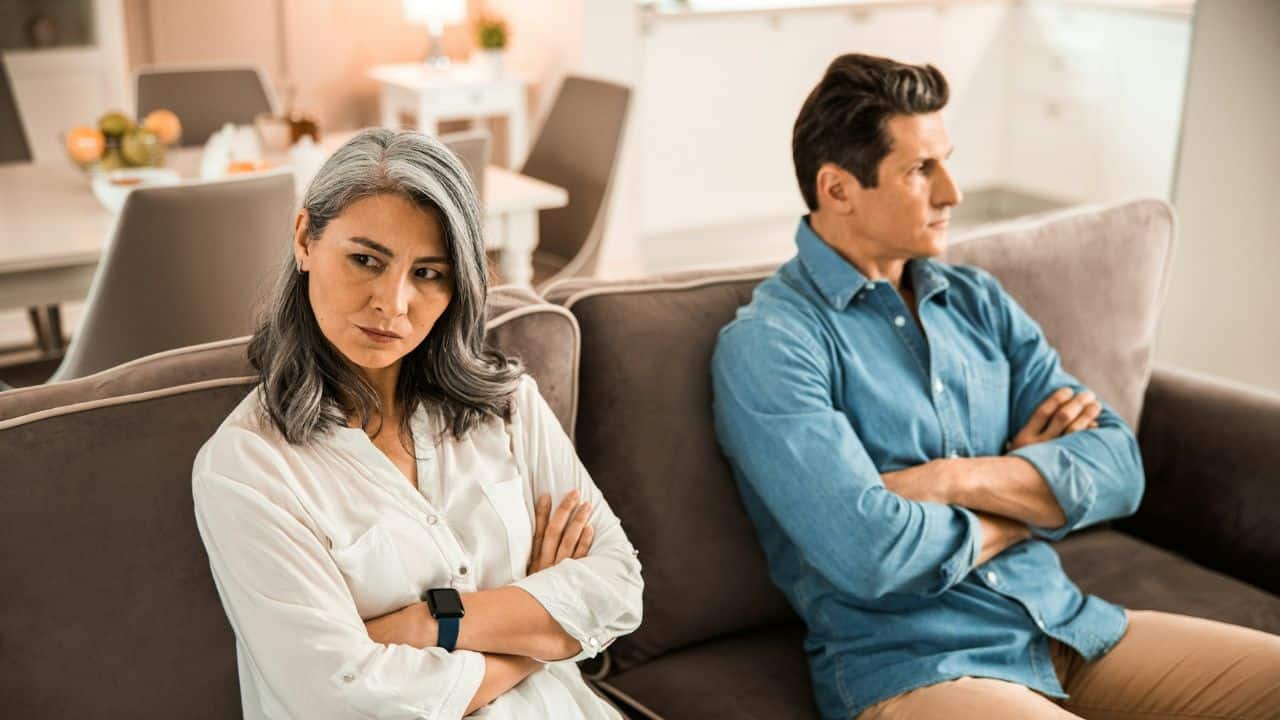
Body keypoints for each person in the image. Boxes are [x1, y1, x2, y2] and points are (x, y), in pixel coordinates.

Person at [710, 53, 1280, 720]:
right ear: (838, 189)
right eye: (921, 170)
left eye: (946, 160)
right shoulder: (772, 344)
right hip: (919, 667)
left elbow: (1119, 470)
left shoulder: (975, 299)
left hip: (1064, 627)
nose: (953, 192)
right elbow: (873, 554)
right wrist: (1031, 497)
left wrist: (951, 479)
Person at [192, 128, 643, 719]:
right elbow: (345, 697)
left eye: (428, 273)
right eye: (365, 260)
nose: (393, 302)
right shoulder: (247, 469)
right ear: (305, 238)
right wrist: (536, 638)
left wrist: (429, 623)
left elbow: (617, 587)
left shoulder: (508, 407)